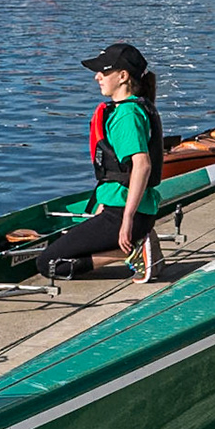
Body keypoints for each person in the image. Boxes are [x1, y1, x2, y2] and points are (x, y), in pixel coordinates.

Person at [36, 42, 164, 282]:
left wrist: (126, 218)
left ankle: (131, 249)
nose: (97, 77)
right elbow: (120, 171)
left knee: (49, 264)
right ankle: (138, 244)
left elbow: (142, 165)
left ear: (123, 76)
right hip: (123, 210)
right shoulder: (129, 109)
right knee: (73, 243)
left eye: (104, 72)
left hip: (126, 215)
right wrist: (106, 203)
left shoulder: (126, 115)